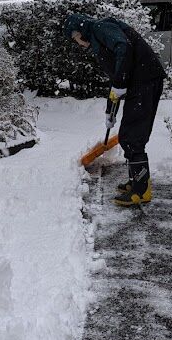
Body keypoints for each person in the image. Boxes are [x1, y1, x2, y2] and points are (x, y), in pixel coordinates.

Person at [63, 12, 165, 206]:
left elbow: (123, 48)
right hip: (141, 82)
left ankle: (141, 190)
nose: (78, 44)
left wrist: (119, 83)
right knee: (128, 135)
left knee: (133, 137)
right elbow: (117, 75)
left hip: (144, 81)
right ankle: (136, 181)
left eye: (75, 39)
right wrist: (111, 111)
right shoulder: (99, 38)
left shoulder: (101, 27)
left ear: (79, 32)